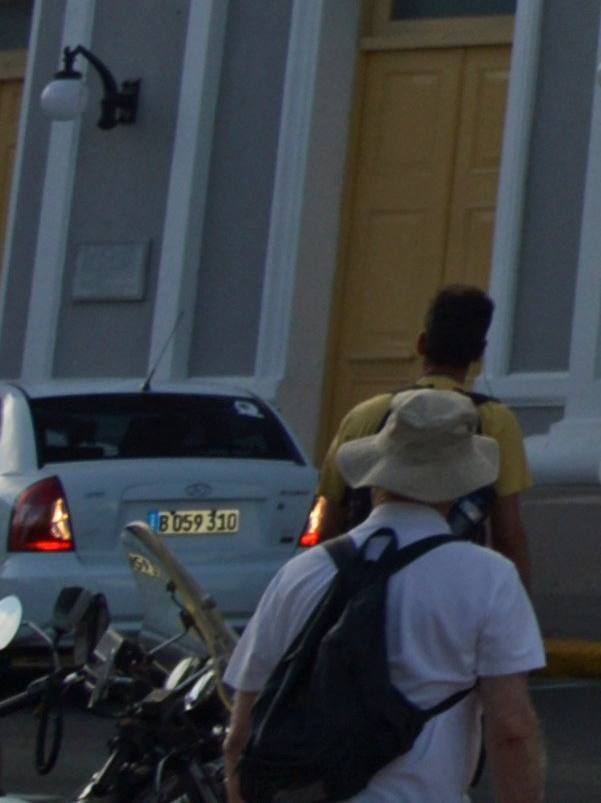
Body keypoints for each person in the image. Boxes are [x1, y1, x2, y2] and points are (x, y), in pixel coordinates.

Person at [234, 394, 547, 803]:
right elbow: (511, 731)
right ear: (460, 485)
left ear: (376, 474)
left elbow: (241, 735)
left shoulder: (299, 573)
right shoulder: (488, 577)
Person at [310, 284, 536, 572]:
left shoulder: (364, 416)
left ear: (421, 344)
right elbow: (507, 532)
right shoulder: (495, 421)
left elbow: (329, 522)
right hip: (451, 576)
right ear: (479, 354)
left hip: (369, 575)